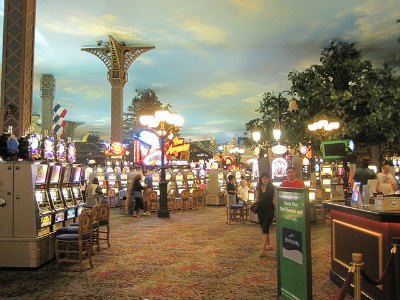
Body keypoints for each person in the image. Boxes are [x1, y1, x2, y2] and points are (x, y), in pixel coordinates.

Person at [255, 173, 276, 257]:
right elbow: (257, 198)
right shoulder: (259, 187)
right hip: (261, 210)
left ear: (269, 179)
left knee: (265, 227)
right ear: (261, 179)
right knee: (263, 227)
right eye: (263, 178)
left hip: (269, 209)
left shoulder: (271, 187)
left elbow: (269, 198)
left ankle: (263, 249)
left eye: (266, 178)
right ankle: (269, 244)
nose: (265, 180)